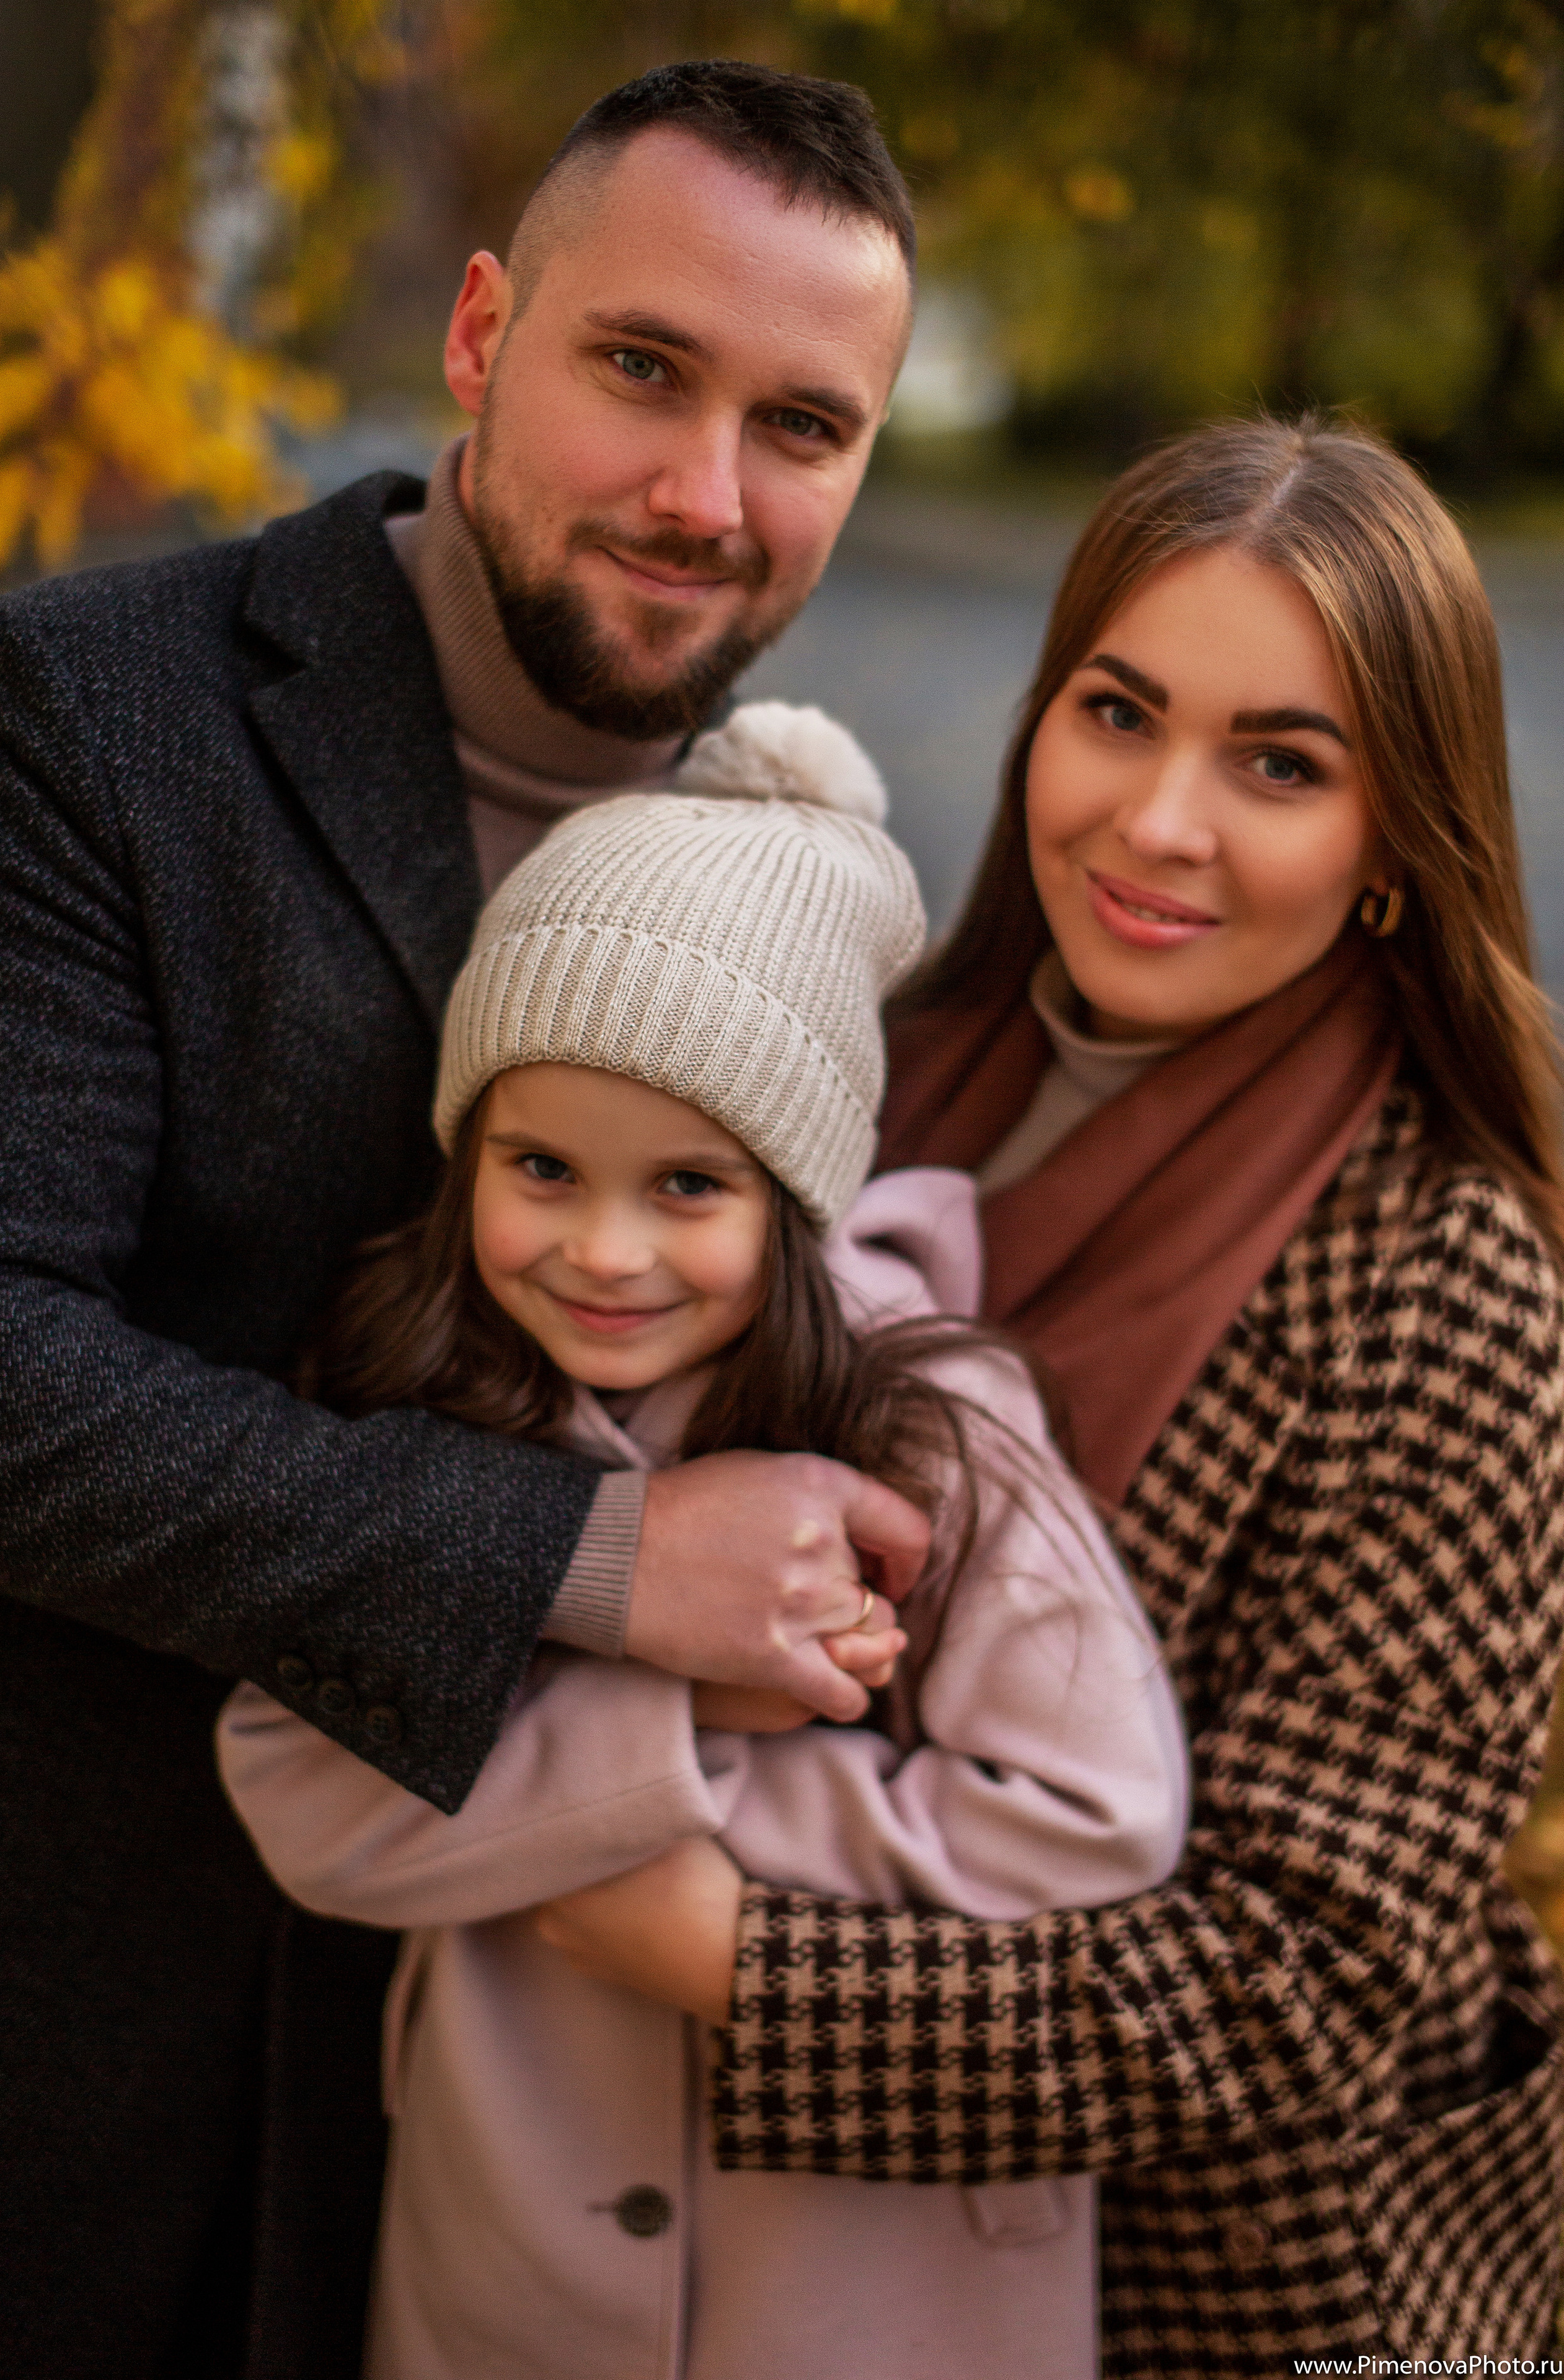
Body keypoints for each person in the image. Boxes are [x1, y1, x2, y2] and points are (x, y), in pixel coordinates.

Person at [0, 62, 924, 2380]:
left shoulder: (817, 874)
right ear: (484, 333)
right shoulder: (84, 716)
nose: (707, 499)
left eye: (803, 425)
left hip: (558, 2149)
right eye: (641, 371)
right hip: (101, 2068)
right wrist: (597, 1568)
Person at [527, 416, 1564, 2374]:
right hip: (744, 2254)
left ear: (1393, 843)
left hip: (1228, 2297)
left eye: (1280, 764)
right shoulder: (848, 1080)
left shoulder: (1442, 1290)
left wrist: (729, 1960)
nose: (1159, 822)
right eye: (1119, 712)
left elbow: (1301, 1981)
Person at [216, 699, 1189, 2380]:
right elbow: (300, 1794)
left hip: (875, 2289)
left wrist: (658, 1818)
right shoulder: (428, 1409)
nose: (603, 1250)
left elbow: (1096, 1820)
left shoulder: (936, 1432)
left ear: (795, 1197)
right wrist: (679, 1717)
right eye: (542, 1167)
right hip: (507, 2264)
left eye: (688, 1187)